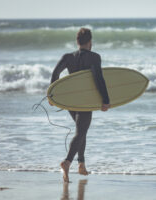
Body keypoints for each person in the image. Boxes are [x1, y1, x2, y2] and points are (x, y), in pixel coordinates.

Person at [49, 28, 111, 182]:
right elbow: (98, 78)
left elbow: (55, 74)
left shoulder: (68, 57)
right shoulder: (94, 57)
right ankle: (67, 162)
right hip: (86, 100)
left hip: (71, 100)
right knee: (81, 131)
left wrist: (52, 95)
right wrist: (106, 99)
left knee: (81, 130)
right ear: (90, 42)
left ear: (77, 42)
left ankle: (81, 164)